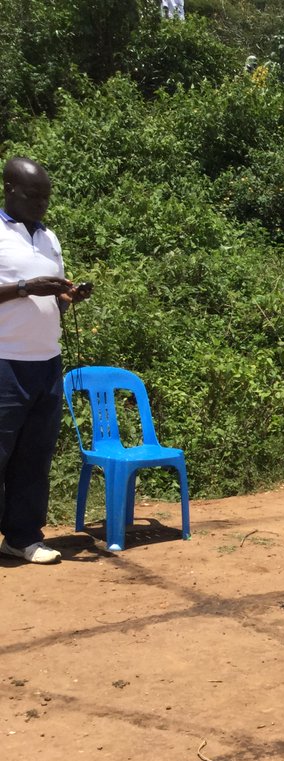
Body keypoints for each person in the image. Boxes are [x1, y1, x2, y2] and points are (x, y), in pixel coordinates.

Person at [1, 157, 91, 564]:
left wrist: (67, 298)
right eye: (33, 195)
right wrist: (24, 287)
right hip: (5, 362)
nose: (41, 204)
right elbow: (26, 292)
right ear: (10, 189)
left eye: (46, 197)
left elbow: (52, 302)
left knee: (34, 457)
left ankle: (22, 537)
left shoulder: (49, 237)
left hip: (46, 362)